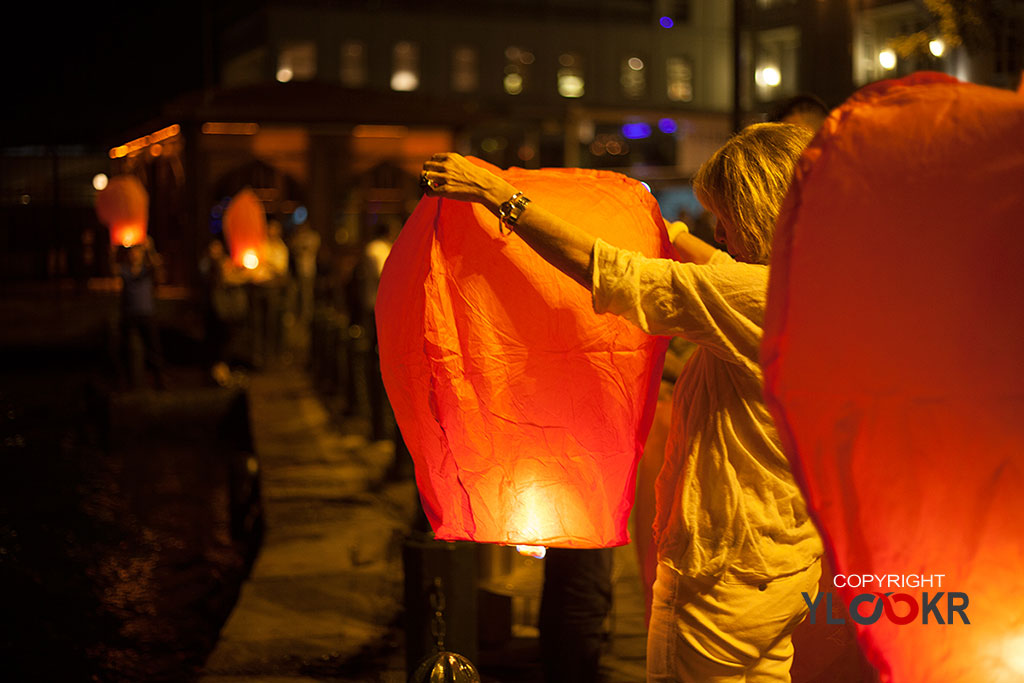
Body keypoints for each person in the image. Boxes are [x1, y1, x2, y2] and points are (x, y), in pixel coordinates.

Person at [420, 123, 824, 682]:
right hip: (783, 564)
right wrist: (673, 233)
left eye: (726, 216)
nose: (723, 232)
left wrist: (496, 197)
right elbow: (722, 274)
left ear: (760, 212)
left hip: (724, 576)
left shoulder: (764, 299)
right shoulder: (820, 289)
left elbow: (616, 276)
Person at [116, 236, 166, 390]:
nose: (134, 255)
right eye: (132, 252)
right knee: (128, 350)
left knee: (154, 350)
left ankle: (159, 384)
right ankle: (130, 384)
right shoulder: (124, 270)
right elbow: (112, 268)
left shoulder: (148, 270)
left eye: (137, 252)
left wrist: (150, 249)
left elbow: (159, 270)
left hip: (147, 314)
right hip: (129, 316)